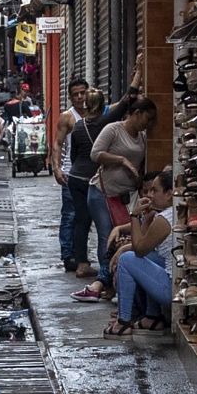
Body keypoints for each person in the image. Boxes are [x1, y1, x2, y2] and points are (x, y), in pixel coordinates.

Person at [72, 96, 157, 303]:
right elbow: (95, 154)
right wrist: (121, 160)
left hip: (125, 197)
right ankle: (105, 284)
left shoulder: (142, 137)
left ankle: (106, 283)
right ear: (136, 114)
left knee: (121, 239)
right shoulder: (114, 129)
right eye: (147, 118)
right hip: (102, 193)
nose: (148, 123)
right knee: (106, 237)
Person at [104, 170, 175, 338]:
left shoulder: (165, 220)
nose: (150, 195)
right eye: (149, 191)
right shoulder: (169, 214)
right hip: (174, 284)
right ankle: (152, 317)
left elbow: (139, 248)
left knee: (126, 260)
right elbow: (145, 250)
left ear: (169, 194)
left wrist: (134, 215)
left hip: (170, 289)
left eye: (155, 190)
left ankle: (123, 322)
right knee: (149, 258)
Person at [48, 78, 90, 271]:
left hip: (92, 174)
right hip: (70, 173)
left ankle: (81, 253)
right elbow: (57, 143)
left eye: (83, 92)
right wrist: (56, 168)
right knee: (70, 215)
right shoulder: (68, 117)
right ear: (70, 97)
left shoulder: (95, 113)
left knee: (87, 217)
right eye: (76, 94)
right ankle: (68, 255)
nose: (80, 97)